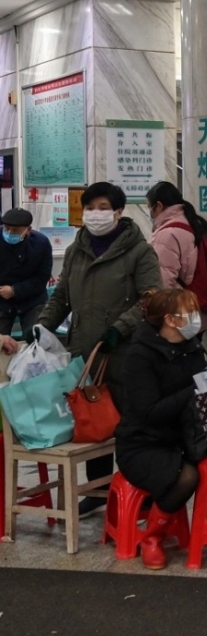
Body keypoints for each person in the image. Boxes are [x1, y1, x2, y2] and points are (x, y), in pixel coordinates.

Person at [38, 181, 162, 517]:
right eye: (89, 208)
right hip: (83, 350)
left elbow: (151, 298)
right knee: (93, 420)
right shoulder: (78, 248)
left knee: (128, 425)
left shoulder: (139, 251)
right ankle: (98, 489)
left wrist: (119, 329)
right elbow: (62, 295)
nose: (95, 214)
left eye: (102, 207)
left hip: (124, 351)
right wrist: (43, 326)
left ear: (119, 212)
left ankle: (138, 492)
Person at [114, 289, 207, 570]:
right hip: (142, 442)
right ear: (170, 319)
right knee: (187, 476)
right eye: (189, 313)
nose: (196, 318)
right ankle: (152, 538)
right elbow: (149, 412)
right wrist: (194, 389)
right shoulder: (140, 356)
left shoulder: (191, 346)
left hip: (182, 435)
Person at [0, 208, 52, 352]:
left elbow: (42, 278)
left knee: (35, 342)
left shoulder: (41, 244)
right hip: (1, 301)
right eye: (6, 228)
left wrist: (15, 290)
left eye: (15, 230)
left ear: (28, 230)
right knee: (2, 344)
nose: (9, 233)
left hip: (32, 300)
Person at [145, 181, 207, 291]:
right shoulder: (188, 222)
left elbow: (163, 280)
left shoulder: (166, 235)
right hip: (187, 297)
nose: (150, 212)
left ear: (159, 206)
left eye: (150, 207)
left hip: (173, 302)